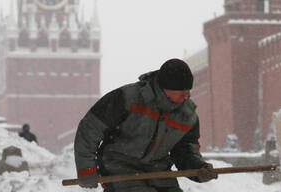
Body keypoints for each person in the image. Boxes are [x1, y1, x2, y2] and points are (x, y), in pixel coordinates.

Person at [74, 58, 218, 192]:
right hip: (119, 169)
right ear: (164, 88)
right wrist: (86, 169)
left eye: (187, 90)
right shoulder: (128, 98)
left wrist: (198, 169)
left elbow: (185, 151)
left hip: (158, 173)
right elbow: (89, 130)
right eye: (180, 91)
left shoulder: (187, 116)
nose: (185, 95)